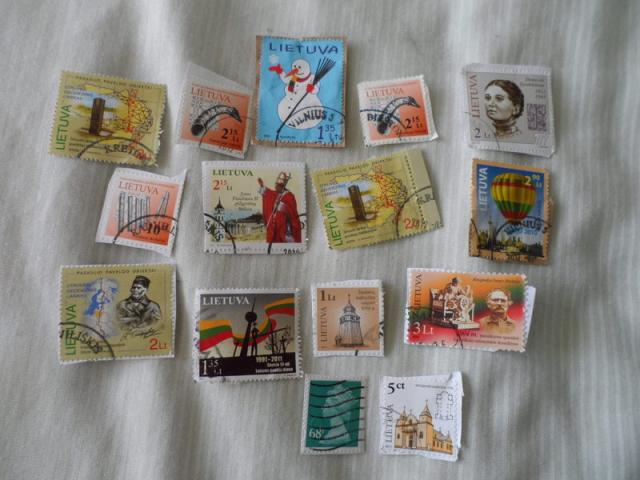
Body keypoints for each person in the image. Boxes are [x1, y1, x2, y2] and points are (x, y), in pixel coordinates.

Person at [258, 172, 302, 243]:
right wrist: (262, 186)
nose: (275, 187)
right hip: (274, 227)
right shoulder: (276, 194)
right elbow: (268, 193)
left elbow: (292, 212)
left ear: (282, 186)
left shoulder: (289, 196)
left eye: (277, 185)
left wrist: (282, 207)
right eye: (276, 185)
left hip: (284, 227)